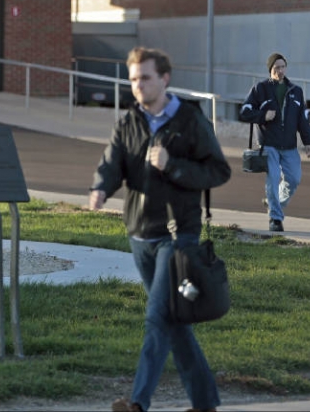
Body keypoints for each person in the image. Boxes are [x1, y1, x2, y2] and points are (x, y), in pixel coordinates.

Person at [88, 47, 230, 412]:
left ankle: (137, 403)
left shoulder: (190, 121)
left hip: (177, 235)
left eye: (145, 78)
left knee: (157, 318)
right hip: (139, 234)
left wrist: (173, 166)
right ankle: (205, 403)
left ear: (164, 79)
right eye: (133, 79)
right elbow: (112, 163)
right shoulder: (129, 121)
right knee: (175, 322)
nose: (138, 86)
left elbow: (218, 171)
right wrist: (101, 187)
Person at [239, 52, 310, 232]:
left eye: (283, 67)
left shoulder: (296, 91)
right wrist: (262, 116)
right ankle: (275, 219)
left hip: (289, 146)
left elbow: (303, 119)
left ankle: (273, 202)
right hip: (269, 145)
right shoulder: (260, 89)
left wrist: (309, 142)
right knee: (273, 179)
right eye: (276, 68)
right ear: (270, 70)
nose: (280, 71)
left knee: (294, 179)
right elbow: (244, 111)